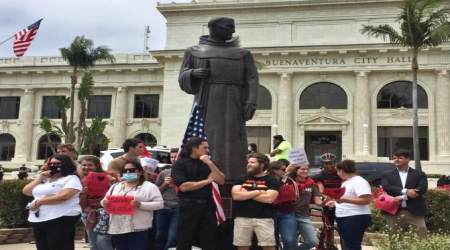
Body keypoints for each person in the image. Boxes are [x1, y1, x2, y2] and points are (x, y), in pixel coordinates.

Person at [178, 17, 259, 180]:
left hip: (234, 101)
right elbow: (182, 76)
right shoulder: (194, 51)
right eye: (229, 27)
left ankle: (233, 175)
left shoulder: (243, 54)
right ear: (213, 28)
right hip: (207, 101)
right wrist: (193, 74)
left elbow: (252, 79)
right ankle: (205, 174)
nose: (233, 31)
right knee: (208, 136)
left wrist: (251, 101)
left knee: (234, 139)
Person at [171, 137, 225, 250]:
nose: (207, 150)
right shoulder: (180, 164)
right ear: (194, 148)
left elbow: (221, 180)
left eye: (208, 147)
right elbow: (184, 187)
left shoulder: (208, 163)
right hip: (188, 206)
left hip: (207, 205)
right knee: (185, 239)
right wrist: (208, 181)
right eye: (204, 147)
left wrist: (210, 163)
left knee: (209, 239)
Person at [22, 154, 82, 250]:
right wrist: (40, 178)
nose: (54, 166)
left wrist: (40, 201)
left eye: (58, 163)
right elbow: (26, 191)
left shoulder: (71, 178)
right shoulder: (45, 179)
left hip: (61, 217)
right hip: (40, 218)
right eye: (52, 163)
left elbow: (64, 196)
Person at [102, 161, 164, 250]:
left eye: (131, 170)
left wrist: (140, 205)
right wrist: (104, 203)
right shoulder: (116, 186)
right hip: (117, 228)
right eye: (125, 170)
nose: (128, 172)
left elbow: (159, 204)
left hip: (138, 229)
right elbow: (104, 200)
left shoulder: (149, 187)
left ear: (140, 172)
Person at [231, 153, 280, 250]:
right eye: (248, 162)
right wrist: (258, 192)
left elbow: (269, 199)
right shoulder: (241, 179)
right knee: (242, 246)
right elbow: (236, 196)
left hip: (265, 218)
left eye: (252, 162)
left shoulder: (271, 180)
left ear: (262, 165)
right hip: (242, 217)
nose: (249, 164)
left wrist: (246, 193)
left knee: (269, 246)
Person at [325, 160, 372, 250]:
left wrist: (344, 200)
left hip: (355, 217)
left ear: (341, 170)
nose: (337, 174)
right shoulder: (346, 182)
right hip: (344, 216)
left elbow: (366, 200)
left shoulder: (359, 181)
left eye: (337, 171)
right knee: (346, 245)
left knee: (352, 245)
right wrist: (335, 203)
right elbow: (347, 198)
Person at [381, 149, 428, 237]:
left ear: (408, 159)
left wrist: (403, 197)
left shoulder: (419, 174)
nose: (396, 160)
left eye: (400, 158)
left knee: (421, 234)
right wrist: (405, 191)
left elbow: (422, 189)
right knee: (394, 237)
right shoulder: (387, 174)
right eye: (394, 158)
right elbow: (386, 187)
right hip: (393, 210)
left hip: (414, 210)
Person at [79, 156, 114, 250]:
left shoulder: (107, 177)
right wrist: (83, 194)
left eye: (90, 165)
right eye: (84, 165)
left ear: (97, 166)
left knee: (103, 240)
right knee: (93, 242)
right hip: (88, 213)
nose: (86, 167)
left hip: (104, 213)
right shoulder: (80, 180)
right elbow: (81, 204)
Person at [312, 152, 342, 250]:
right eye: (326, 163)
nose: (328, 165)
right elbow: (315, 186)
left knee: (343, 227)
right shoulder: (320, 175)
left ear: (335, 163)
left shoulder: (340, 173)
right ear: (322, 164)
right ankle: (329, 244)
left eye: (331, 163)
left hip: (342, 202)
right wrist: (322, 195)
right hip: (328, 203)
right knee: (328, 226)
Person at [267, 161, 297, 250]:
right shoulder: (267, 179)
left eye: (286, 169)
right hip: (270, 213)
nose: (285, 171)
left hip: (287, 212)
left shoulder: (288, 180)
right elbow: (275, 187)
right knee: (271, 240)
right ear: (274, 170)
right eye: (283, 169)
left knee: (289, 240)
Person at [293, 165, 322, 250]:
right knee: (291, 241)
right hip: (289, 215)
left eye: (307, 169)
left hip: (304, 215)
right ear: (296, 170)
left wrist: (326, 202)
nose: (305, 171)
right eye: (302, 169)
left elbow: (318, 201)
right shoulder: (290, 182)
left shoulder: (312, 184)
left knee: (313, 241)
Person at [155, 164, 179, 250]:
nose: (173, 159)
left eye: (175, 157)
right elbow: (156, 191)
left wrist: (176, 184)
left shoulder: (185, 173)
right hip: (163, 207)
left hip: (178, 208)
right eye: (172, 157)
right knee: (160, 235)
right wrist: (166, 183)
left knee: (172, 237)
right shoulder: (164, 173)